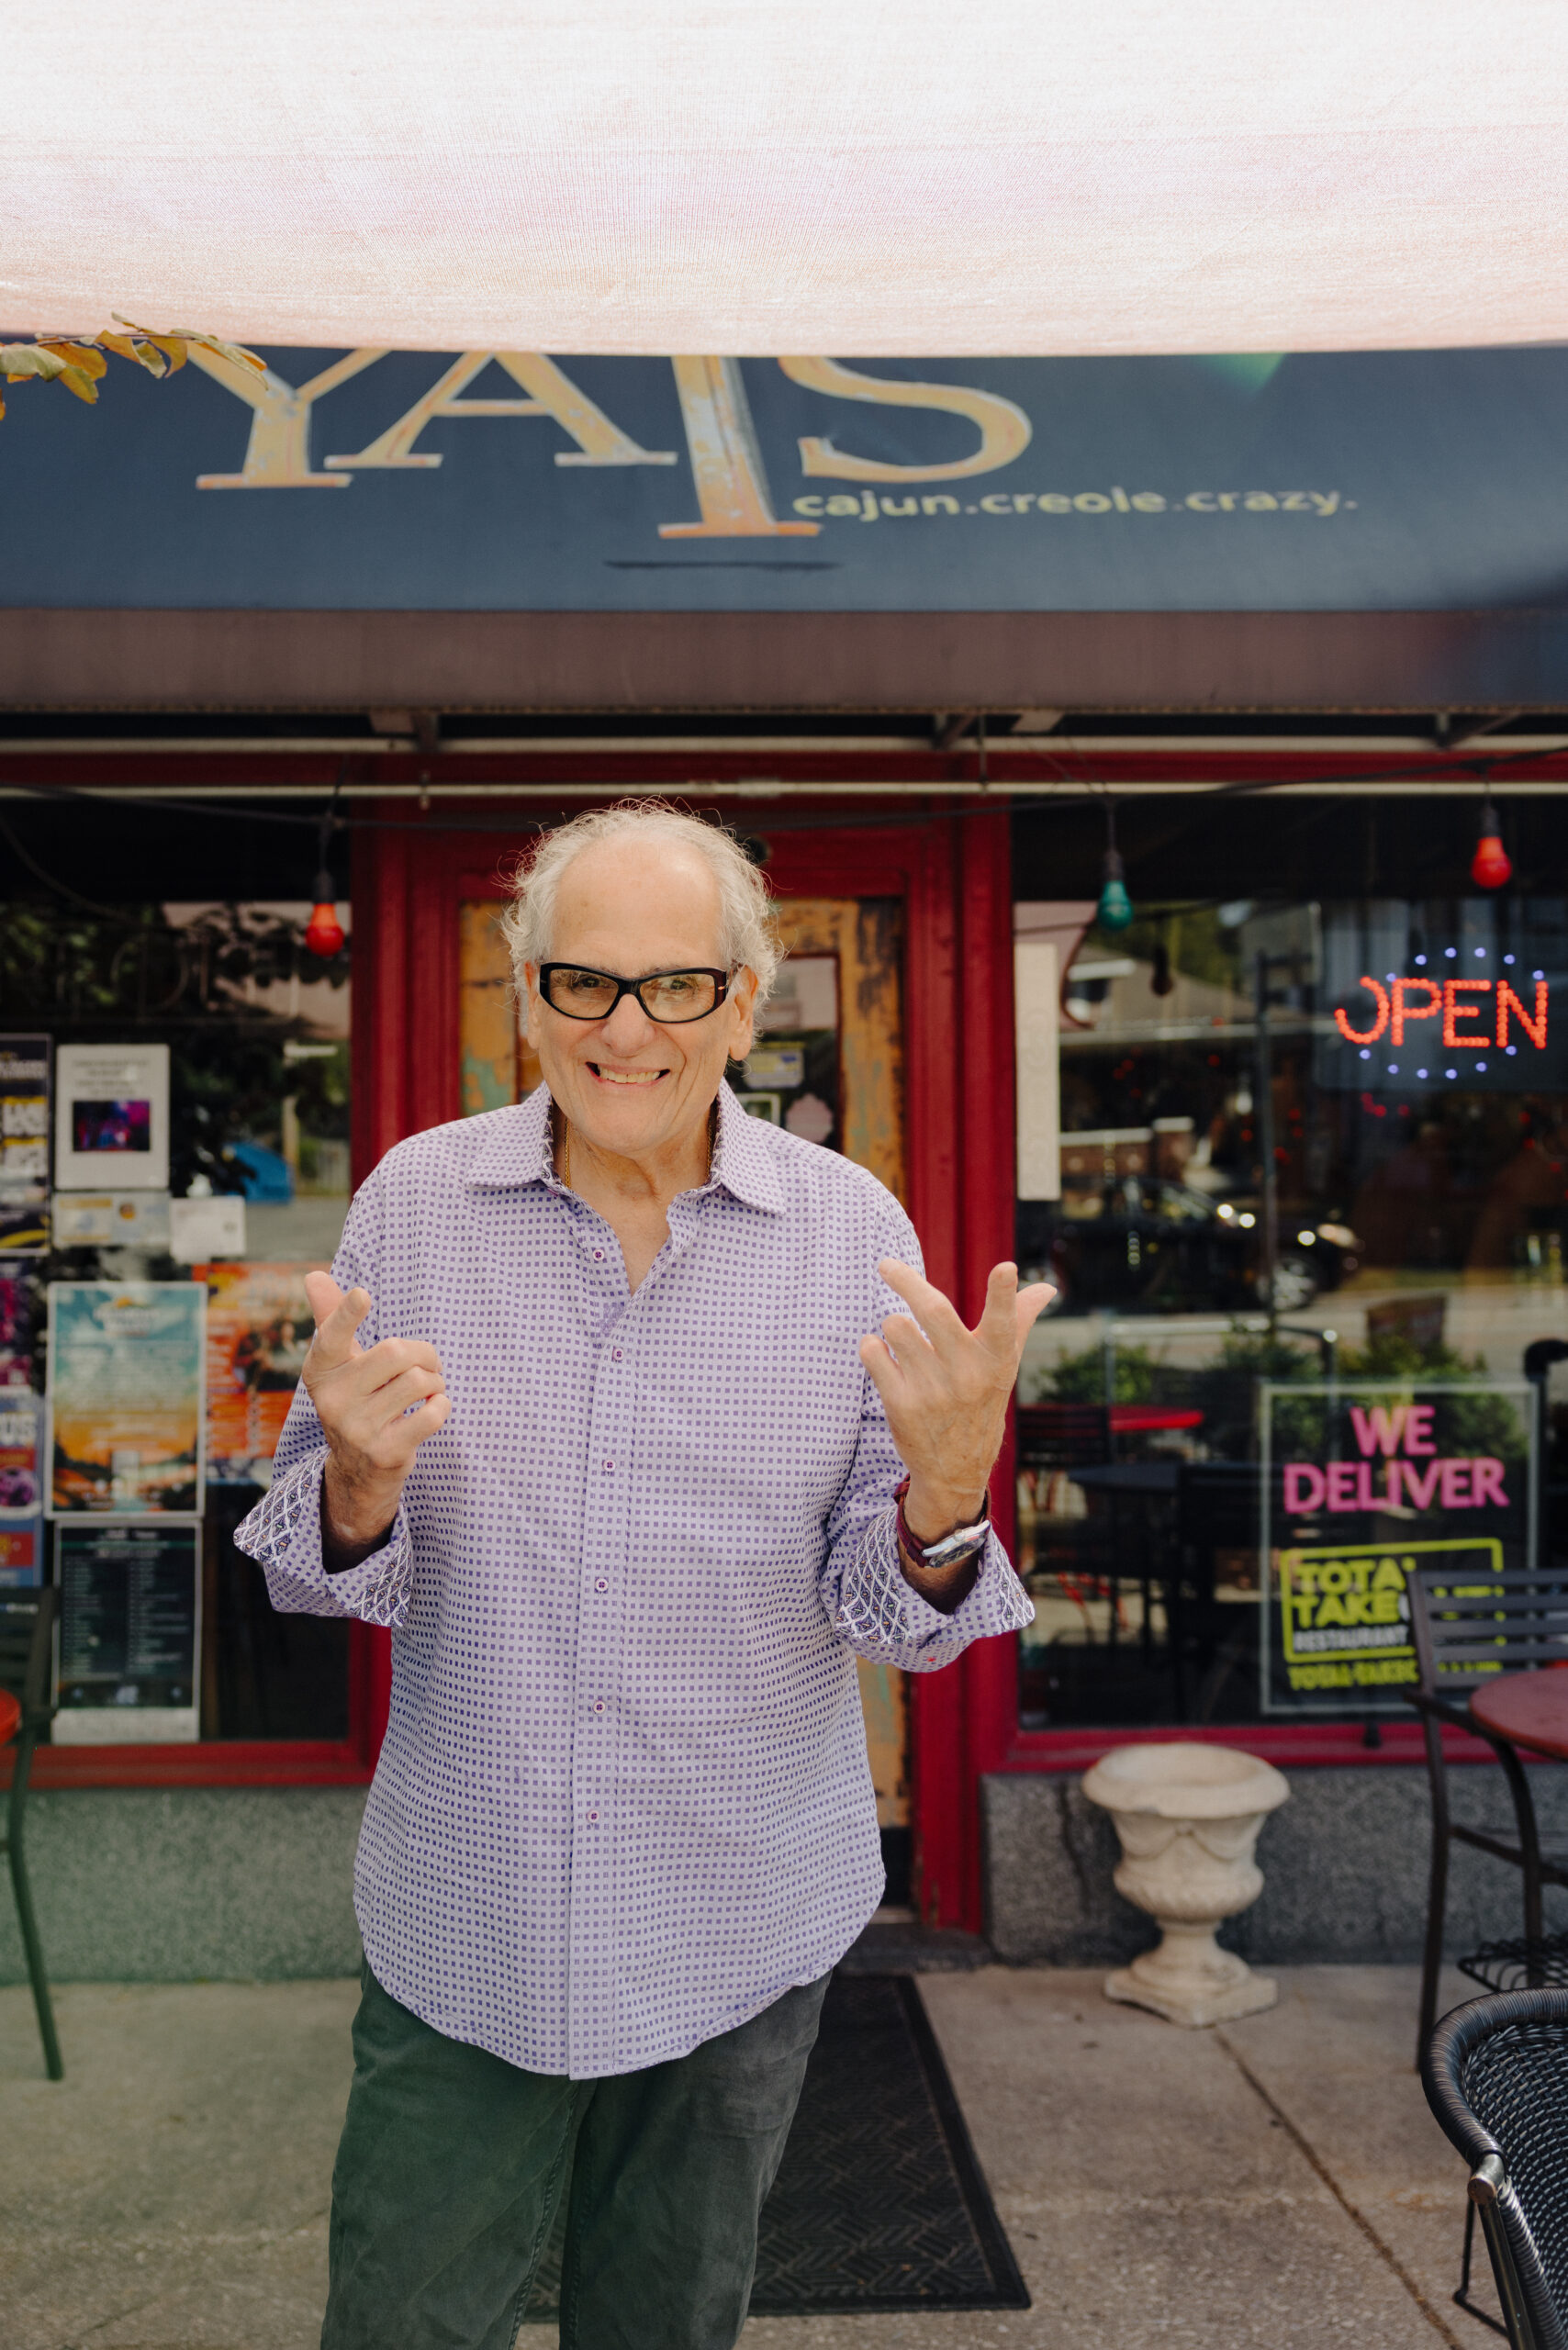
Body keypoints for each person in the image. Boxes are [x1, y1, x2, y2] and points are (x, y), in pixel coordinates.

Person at [236, 801, 1047, 2350]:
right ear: (525, 993)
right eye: (585, 982)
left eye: (675, 985)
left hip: (737, 1915)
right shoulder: (413, 1204)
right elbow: (317, 1577)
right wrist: (354, 1484)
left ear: (743, 1004)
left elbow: (892, 1624)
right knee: (403, 2324)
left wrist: (945, 1495)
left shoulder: (849, 1235)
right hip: (469, 1912)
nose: (625, 1029)